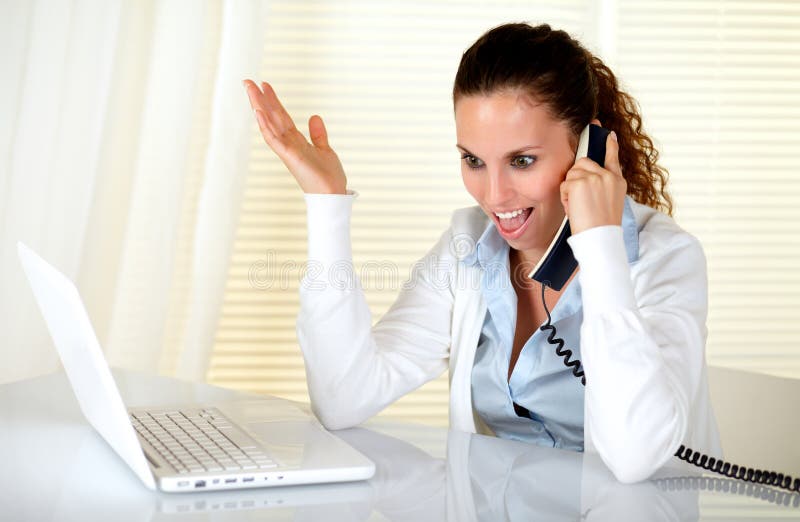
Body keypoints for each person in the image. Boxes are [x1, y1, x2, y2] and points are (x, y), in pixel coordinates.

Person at [242, 22, 721, 483]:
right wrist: (327, 204)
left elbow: (636, 456)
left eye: (522, 160)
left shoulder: (665, 259)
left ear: (589, 150)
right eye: (473, 160)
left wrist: (600, 246)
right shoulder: (469, 246)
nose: (494, 195)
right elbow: (342, 398)